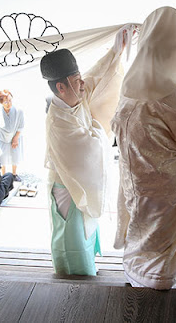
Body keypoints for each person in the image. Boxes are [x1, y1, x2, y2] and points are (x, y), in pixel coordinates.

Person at [112, 7, 176, 290]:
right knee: (160, 240)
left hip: (132, 180)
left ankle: (135, 279)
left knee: (138, 231)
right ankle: (157, 290)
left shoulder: (128, 88)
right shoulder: (172, 97)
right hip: (163, 188)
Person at [41, 24, 133, 276]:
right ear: (61, 88)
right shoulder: (59, 121)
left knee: (84, 233)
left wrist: (116, 51)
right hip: (68, 189)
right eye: (75, 81)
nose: (82, 84)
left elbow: (96, 77)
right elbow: (90, 149)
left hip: (76, 186)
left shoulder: (75, 96)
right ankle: (74, 281)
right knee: (72, 240)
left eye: (79, 78)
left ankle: (84, 269)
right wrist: (96, 125)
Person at [0, 89, 24, 180]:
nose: (9, 103)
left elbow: (21, 126)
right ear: (1, 102)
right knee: (2, 157)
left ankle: (14, 174)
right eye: (6, 102)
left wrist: (15, 138)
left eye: (10, 100)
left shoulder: (19, 111)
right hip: (2, 138)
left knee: (15, 155)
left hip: (15, 136)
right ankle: (3, 175)